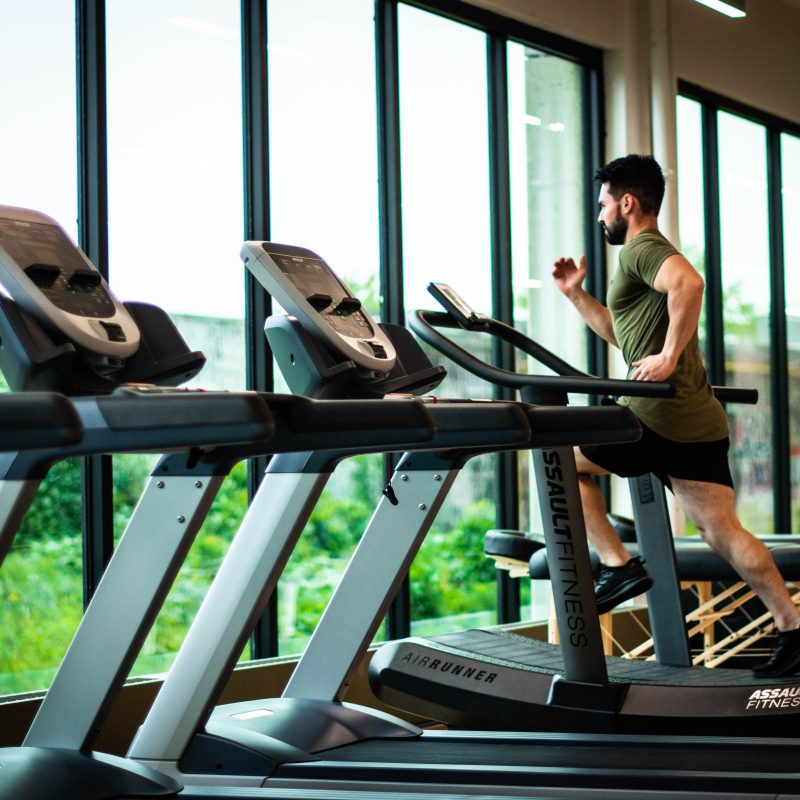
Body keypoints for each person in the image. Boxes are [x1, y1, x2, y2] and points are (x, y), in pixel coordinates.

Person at [552, 153, 800, 678]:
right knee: (723, 532)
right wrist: (577, 296)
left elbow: (690, 284)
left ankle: (619, 567)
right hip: (696, 420)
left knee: (560, 462)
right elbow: (624, 334)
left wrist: (666, 357)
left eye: (603, 206)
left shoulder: (643, 247)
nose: (600, 218)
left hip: (654, 414)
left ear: (627, 202)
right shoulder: (641, 259)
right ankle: (793, 627)